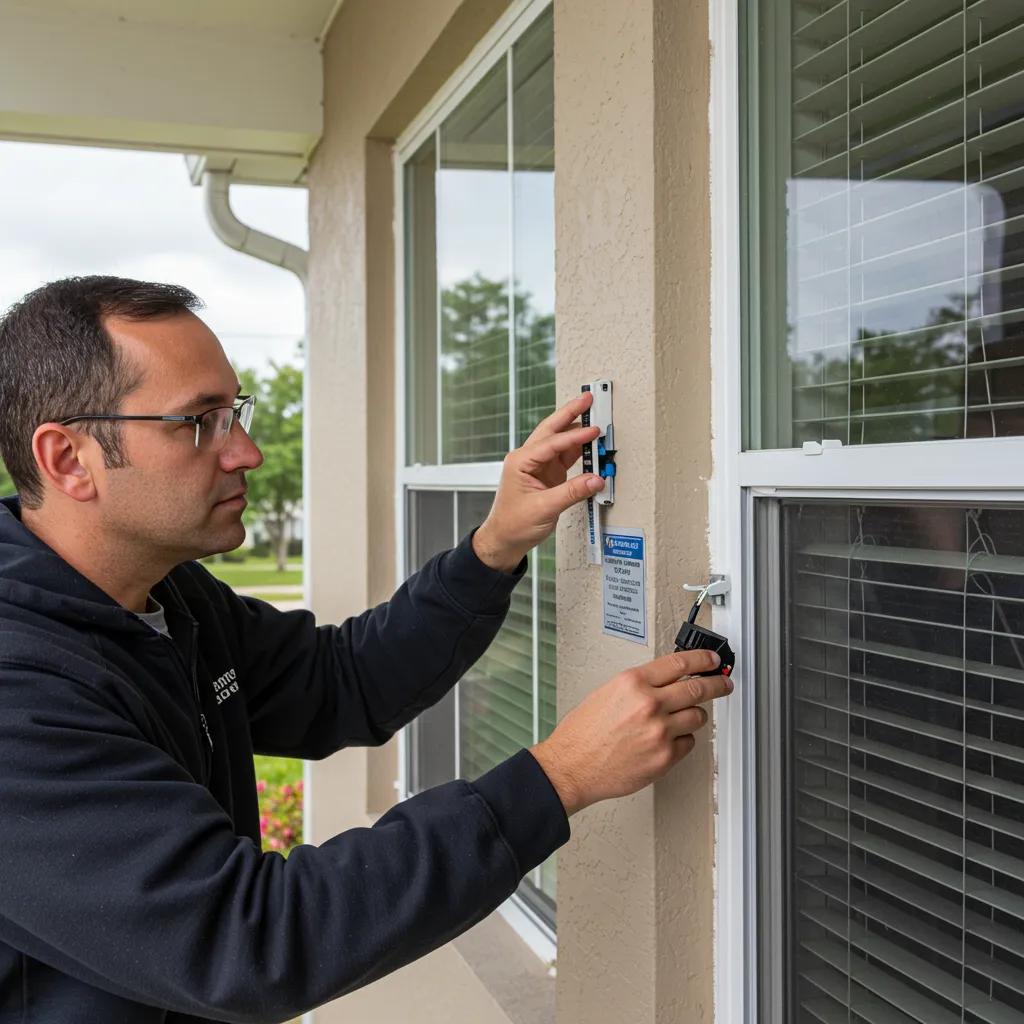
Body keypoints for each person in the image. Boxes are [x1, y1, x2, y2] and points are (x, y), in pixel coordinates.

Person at [0, 276, 732, 1023]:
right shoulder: (19, 691)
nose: (246, 452)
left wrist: (493, 547)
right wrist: (560, 776)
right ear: (68, 459)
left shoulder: (169, 597)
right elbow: (247, 940)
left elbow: (339, 682)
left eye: (234, 413)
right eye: (198, 423)